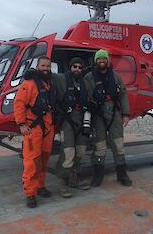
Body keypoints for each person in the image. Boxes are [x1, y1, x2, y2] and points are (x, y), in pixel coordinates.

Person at [84, 49, 132, 187]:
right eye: (99, 59)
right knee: (100, 146)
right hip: (98, 115)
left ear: (107, 60)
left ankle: (122, 174)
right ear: (96, 61)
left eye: (104, 58)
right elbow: (85, 97)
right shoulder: (89, 78)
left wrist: (125, 114)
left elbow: (122, 95)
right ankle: (98, 175)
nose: (102, 61)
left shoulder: (115, 77)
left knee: (118, 144)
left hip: (114, 114)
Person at [14, 56, 56, 208]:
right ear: (38, 66)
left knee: (43, 160)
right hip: (33, 129)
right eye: (43, 65)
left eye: (48, 66)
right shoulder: (29, 84)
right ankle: (30, 193)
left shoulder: (50, 84)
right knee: (32, 161)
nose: (46, 68)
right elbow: (19, 103)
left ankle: (40, 186)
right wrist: (21, 124)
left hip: (48, 128)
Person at [53, 57, 90, 198]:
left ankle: (75, 177)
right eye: (74, 66)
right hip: (67, 121)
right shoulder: (61, 79)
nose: (77, 69)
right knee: (68, 151)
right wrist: (34, 73)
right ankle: (64, 182)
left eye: (80, 67)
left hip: (81, 120)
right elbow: (47, 75)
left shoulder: (85, 83)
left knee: (80, 151)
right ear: (70, 67)